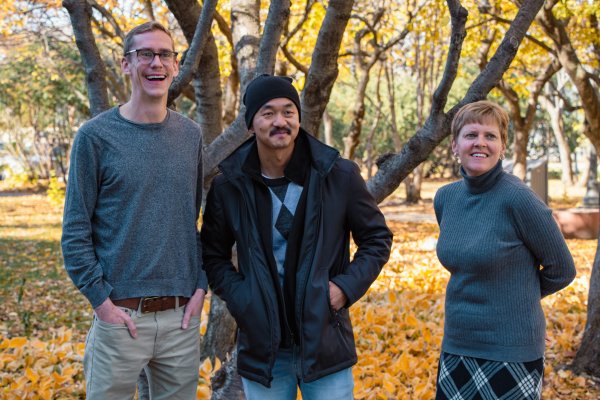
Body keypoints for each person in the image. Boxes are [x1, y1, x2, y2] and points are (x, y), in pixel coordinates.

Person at [201, 74, 392, 399]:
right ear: (250, 125)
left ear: (299, 119)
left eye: (288, 111)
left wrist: (343, 288)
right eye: (268, 113)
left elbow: (377, 239)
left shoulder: (337, 175)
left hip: (325, 342)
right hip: (264, 349)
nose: (280, 121)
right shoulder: (230, 185)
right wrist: (241, 297)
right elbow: (212, 254)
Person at [61, 21, 206, 399]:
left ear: (175, 66)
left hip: (181, 319)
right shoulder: (94, 137)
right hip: (120, 317)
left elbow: (195, 220)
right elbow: (75, 232)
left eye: (165, 55)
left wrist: (201, 287)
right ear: (126, 64)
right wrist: (102, 304)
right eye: (145, 54)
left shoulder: (190, 135)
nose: (156, 63)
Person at [434, 100, 576, 400]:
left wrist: (518, 295)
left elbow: (562, 270)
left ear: (502, 146)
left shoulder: (520, 199)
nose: (480, 143)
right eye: (471, 135)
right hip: (457, 343)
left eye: (490, 136)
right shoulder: (445, 198)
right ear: (454, 145)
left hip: (512, 348)